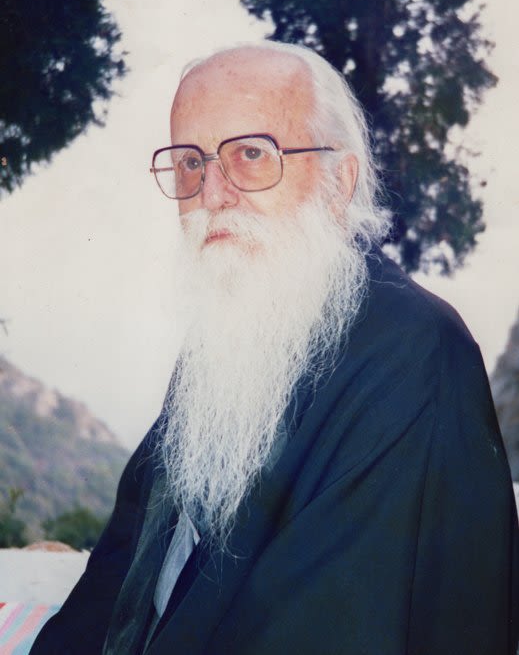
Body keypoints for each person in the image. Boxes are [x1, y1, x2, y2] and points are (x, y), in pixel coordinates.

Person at [31, 42, 519, 655]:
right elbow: (123, 570)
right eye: (190, 163)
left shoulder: (414, 353)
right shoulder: (238, 338)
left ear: (339, 182)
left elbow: (331, 626)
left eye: (252, 154)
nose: (211, 193)